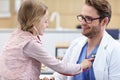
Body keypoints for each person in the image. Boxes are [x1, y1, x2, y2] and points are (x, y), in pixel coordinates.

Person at [0, 0, 94, 80]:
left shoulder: (16, 36)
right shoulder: (29, 44)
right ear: (34, 22)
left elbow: (17, 69)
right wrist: (82, 66)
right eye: (45, 21)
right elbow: (59, 67)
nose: (47, 25)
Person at [46, 0, 120, 80]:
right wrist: (53, 78)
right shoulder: (76, 44)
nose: (82, 23)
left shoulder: (115, 50)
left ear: (104, 21)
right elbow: (61, 75)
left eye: (88, 19)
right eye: (82, 17)